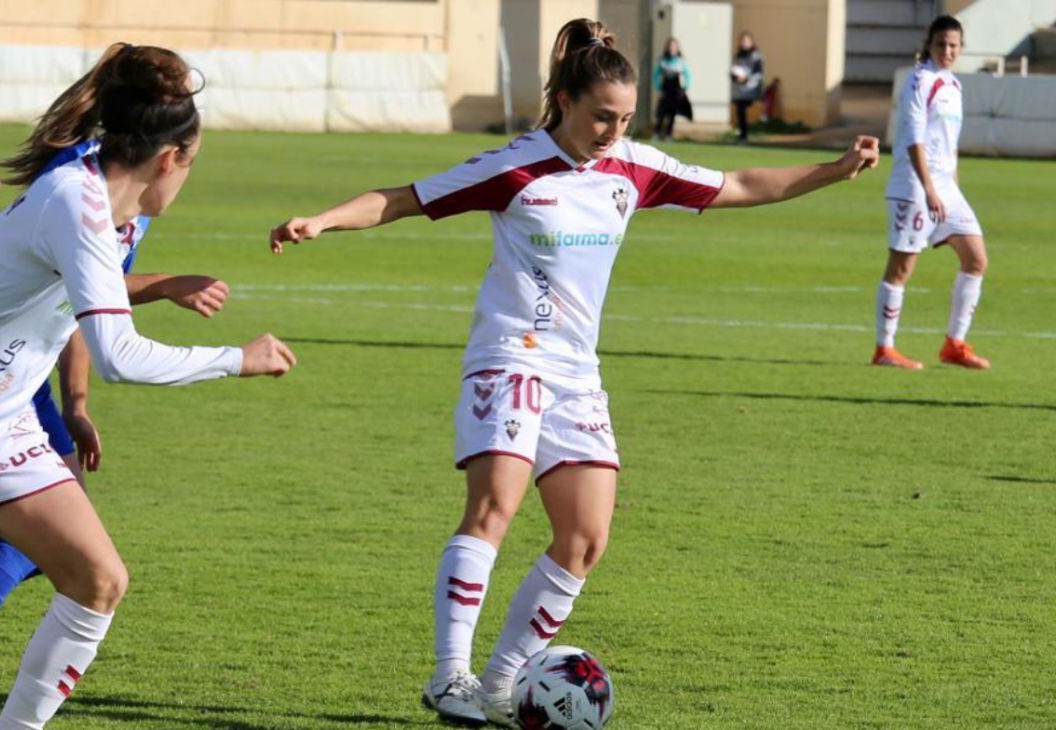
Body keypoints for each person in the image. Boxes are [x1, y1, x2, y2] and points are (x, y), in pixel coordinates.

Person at [269, 17, 877, 728]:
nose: (611, 131)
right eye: (600, 117)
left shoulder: (633, 169)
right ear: (563, 101)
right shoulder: (516, 168)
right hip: (510, 354)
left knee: (586, 538)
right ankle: (449, 676)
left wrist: (832, 173)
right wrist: (322, 219)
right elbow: (404, 197)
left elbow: (740, 182)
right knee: (495, 505)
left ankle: (498, 685)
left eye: (623, 119)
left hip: (576, 374)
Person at [0, 42, 295, 729]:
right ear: (168, 159)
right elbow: (118, 352)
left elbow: (75, 319)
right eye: (192, 164)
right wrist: (237, 359)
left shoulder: (99, 205)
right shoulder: (76, 199)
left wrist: (77, 404)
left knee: (98, 582)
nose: (186, 179)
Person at [0, 139, 233, 635]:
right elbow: (80, 289)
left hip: (27, 368)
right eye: (187, 154)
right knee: (43, 536)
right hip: (2, 367)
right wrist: (166, 287)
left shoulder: (129, 188)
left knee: (60, 538)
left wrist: (77, 403)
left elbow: (82, 306)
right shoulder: (83, 176)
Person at [872, 15, 989, 370]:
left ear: (961, 47)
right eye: (941, 44)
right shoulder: (920, 80)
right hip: (915, 186)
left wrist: (950, 186)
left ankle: (954, 343)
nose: (947, 51)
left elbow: (948, 145)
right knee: (902, 267)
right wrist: (929, 189)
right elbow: (914, 140)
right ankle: (884, 349)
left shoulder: (953, 84)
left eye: (953, 45)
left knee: (976, 259)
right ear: (930, 44)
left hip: (945, 186)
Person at [652, 37, 692, 141]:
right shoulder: (663, 60)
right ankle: (657, 133)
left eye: (674, 46)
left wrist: (685, 87)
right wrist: (658, 87)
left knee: (672, 113)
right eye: (670, 46)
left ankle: (669, 134)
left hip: (676, 90)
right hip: (666, 89)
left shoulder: (680, 61)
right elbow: (656, 75)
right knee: (661, 112)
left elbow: (687, 75)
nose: (672, 48)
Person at [730, 31, 764, 143]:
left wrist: (747, 79)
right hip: (739, 91)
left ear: (751, 42)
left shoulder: (756, 56)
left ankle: (745, 134)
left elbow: (759, 73)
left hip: (751, 90)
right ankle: (742, 135)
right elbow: (732, 72)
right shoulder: (737, 56)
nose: (744, 43)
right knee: (740, 112)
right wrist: (736, 78)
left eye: (746, 41)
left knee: (744, 111)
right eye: (742, 41)